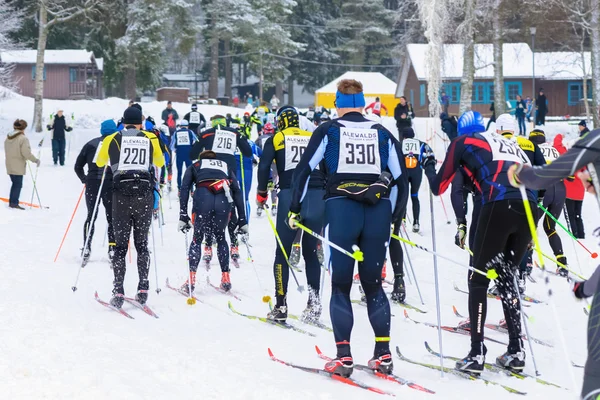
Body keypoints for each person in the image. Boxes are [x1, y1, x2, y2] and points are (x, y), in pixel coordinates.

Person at [289, 79, 406, 377]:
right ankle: (383, 353)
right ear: (364, 103)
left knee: (340, 284)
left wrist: (294, 208)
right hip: (377, 210)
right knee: (373, 284)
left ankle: (344, 355)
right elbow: (401, 178)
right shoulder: (381, 131)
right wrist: (394, 216)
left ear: (337, 104)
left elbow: (304, 170)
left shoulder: (328, 130)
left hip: (341, 209)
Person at [423, 109, 533, 374]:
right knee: (507, 277)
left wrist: (427, 163)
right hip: (529, 208)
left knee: (479, 279)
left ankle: (476, 352)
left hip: (498, 203)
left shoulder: (463, 142)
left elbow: (439, 187)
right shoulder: (506, 142)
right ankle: (516, 350)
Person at [508, 128, 600, 400]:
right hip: (558, 193)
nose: (586, 183)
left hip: (546, 189)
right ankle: (555, 261)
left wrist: (519, 172)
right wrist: (586, 287)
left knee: (596, 364)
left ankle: (524, 266)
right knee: (549, 230)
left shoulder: (594, 141)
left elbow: (539, 176)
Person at [255, 105, 326, 323]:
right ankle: (314, 304)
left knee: (282, 253)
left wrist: (262, 193)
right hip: (316, 195)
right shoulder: (311, 136)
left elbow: (264, 166)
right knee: (311, 252)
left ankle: (281, 305)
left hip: (289, 194)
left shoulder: (276, 138)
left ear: (280, 121)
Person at [95, 106, 165, 308]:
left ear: (123, 122)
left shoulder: (112, 138)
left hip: (121, 197)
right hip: (143, 195)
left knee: (120, 246)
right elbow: (159, 161)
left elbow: (100, 163)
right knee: (142, 244)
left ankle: (118, 290)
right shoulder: (150, 138)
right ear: (141, 123)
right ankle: (143, 287)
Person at [178, 150, 248, 293]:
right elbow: (237, 190)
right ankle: (226, 277)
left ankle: (191, 280)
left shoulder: (195, 165)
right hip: (223, 199)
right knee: (221, 237)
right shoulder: (224, 166)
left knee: (197, 238)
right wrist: (242, 218)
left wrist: (183, 214)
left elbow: (184, 188)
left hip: (203, 198)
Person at [190, 115, 252, 265]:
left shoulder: (206, 133)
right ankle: (234, 245)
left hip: (208, 176)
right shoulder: (234, 132)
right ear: (225, 123)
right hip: (228, 175)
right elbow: (248, 153)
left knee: (208, 210)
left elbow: (192, 154)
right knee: (231, 209)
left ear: (213, 123)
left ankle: (208, 246)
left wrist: (203, 148)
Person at [74, 119, 117, 264]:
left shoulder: (91, 144)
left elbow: (78, 166)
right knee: (112, 217)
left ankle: (86, 246)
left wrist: (84, 179)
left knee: (91, 215)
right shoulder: (117, 143)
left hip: (93, 183)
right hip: (110, 183)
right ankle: (112, 247)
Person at [528, 129, 568, 276]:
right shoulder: (553, 149)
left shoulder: (532, 149)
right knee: (550, 228)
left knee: (530, 226)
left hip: (544, 190)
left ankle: (526, 262)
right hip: (560, 189)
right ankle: (562, 262)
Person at [400, 127, 430, 233]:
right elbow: (429, 154)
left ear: (403, 136)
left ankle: (402, 220)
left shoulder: (400, 144)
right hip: (417, 172)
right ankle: (416, 222)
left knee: (403, 195)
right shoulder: (421, 144)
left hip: (404, 172)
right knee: (414, 196)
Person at [4, 119, 40, 210]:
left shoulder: (8, 137)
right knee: (17, 184)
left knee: (15, 183)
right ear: (23, 128)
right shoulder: (23, 138)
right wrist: (35, 160)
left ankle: (12, 202)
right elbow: (26, 153)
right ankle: (14, 203)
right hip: (18, 164)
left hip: (9, 164)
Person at [559, 133, 586, 238]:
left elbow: (557, 146)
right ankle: (581, 234)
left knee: (570, 215)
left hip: (569, 193)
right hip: (580, 193)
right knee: (578, 215)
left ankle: (574, 235)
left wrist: (560, 136)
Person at [171, 120, 198, 191]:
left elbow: (171, 145)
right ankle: (191, 189)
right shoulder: (190, 132)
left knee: (179, 172)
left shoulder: (176, 133)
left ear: (180, 126)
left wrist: (175, 150)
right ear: (187, 126)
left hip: (179, 154)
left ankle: (179, 188)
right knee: (190, 172)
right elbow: (197, 141)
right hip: (188, 154)